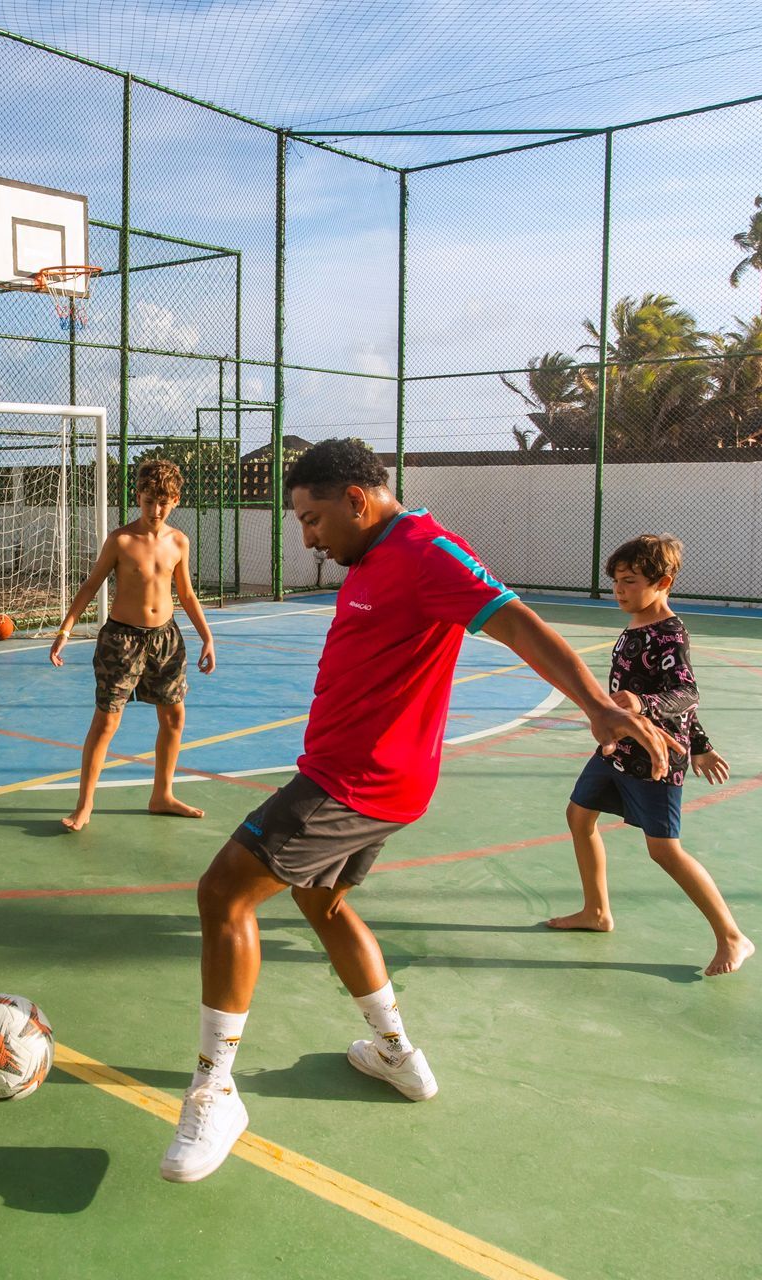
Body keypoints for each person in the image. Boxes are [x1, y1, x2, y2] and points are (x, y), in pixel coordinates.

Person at [160, 438, 676, 1184]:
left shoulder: (427, 551)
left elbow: (515, 620)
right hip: (362, 775)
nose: (306, 535)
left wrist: (596, 704)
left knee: (222, 893)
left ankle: (215, 1090)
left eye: (312, 518)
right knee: (324, 906)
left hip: (355, 780)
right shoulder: (375, 556)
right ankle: (397, 1054)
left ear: (358, 501)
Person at [547, 534, 754, 976]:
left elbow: (685, 691)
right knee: (578, 816)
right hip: (618, 748)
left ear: (663, 581)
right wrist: (700, 742)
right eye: (616, 582)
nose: (619, 590)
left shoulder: (669, 633)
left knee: (664, 850)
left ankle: (732, 936)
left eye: (629, 581)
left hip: (655, 757)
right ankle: (596, 912)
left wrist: (648, 709)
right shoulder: (635, 626)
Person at [49, 458, 217, 831]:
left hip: (166, 640)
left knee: (174, 717)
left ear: (175, 501)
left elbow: (186, 595)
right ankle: (85, 804)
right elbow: (90, 586)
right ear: (137, 497)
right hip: (122, 641)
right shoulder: (121, 540)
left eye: (164, 502)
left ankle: (162, 795)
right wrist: (64, 631)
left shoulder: (179, 542)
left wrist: (207, 637)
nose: (156, 510)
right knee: (106, 722)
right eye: (149, 501)